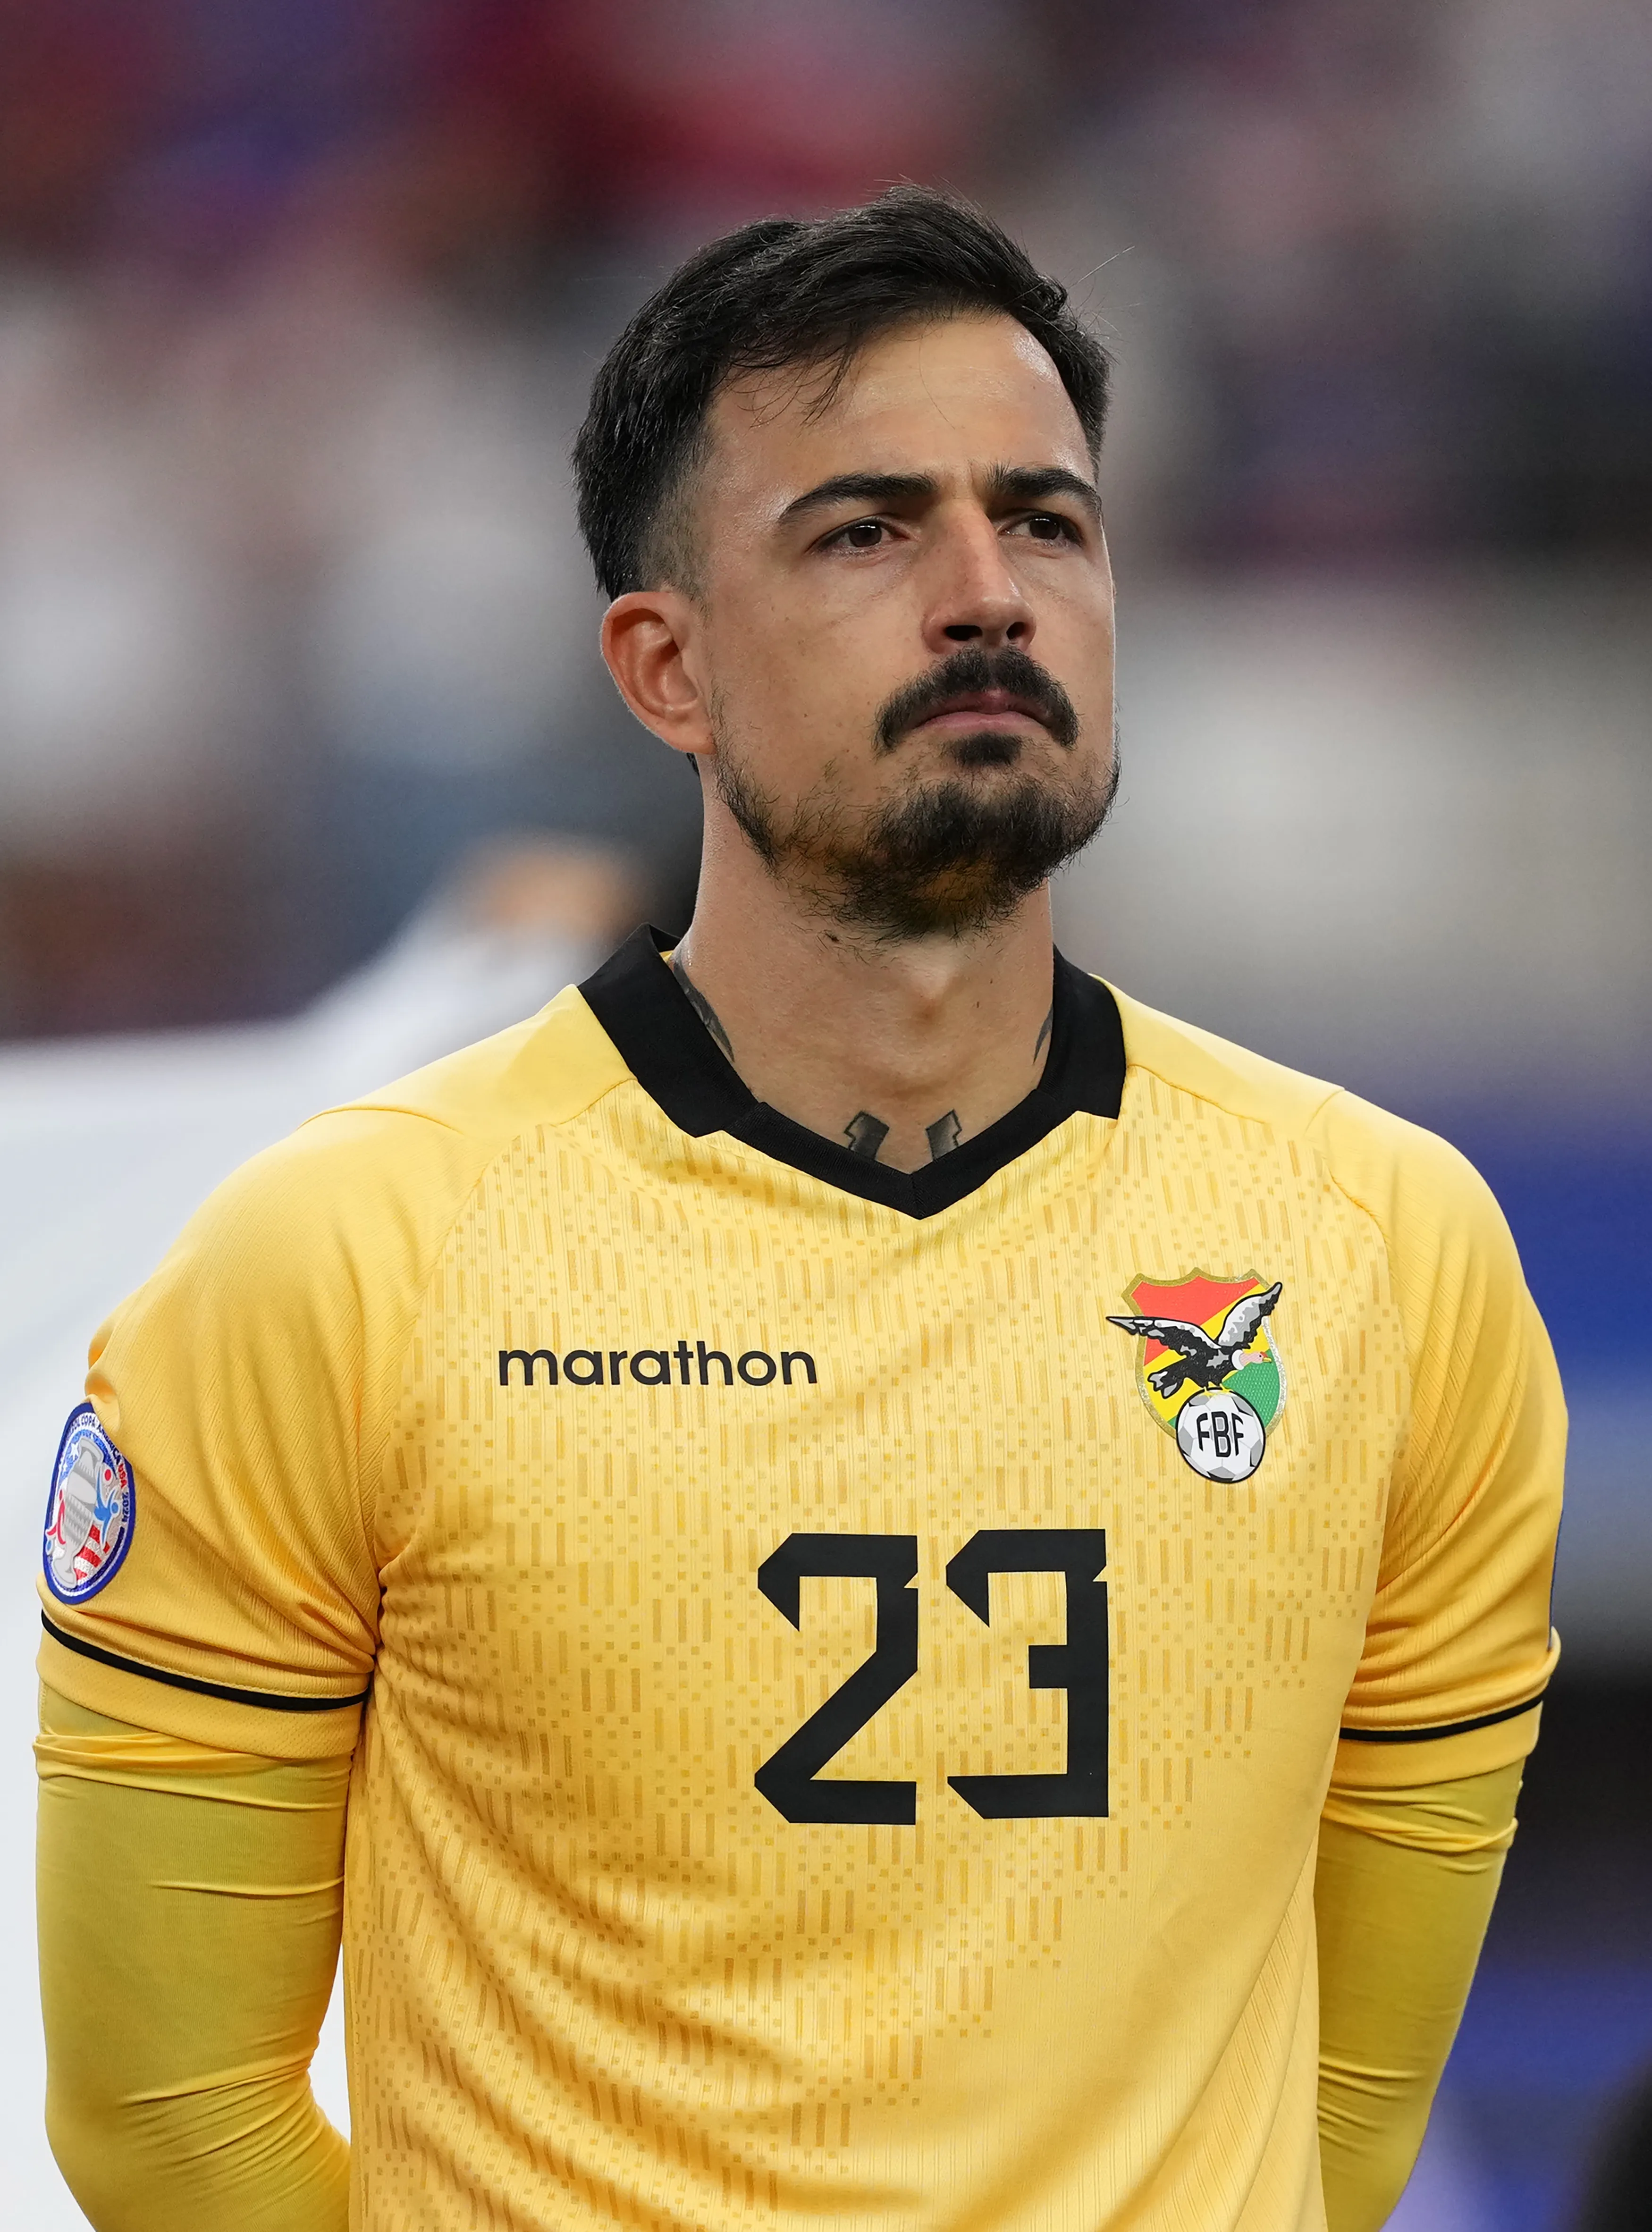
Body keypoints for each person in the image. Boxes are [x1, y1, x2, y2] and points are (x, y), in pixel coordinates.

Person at [36, 189, 1563, 2232]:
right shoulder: (330, 1270)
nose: (985, 595)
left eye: (1044, 521)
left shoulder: (1391, 1252)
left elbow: (1348, 2103)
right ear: (661, 668)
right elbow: (168, 2119)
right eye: (863, 532)